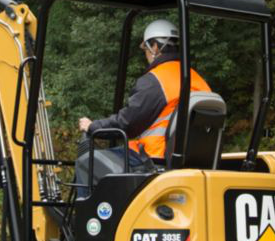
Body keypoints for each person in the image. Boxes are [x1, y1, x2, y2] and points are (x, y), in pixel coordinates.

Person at [74, 19, 211, 197]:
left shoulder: (156, 81)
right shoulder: (197, 80)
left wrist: (93, 126)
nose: (146, 54)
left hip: (151, 160)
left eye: (146, 49)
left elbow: (127, 123)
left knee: (87, 162)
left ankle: (86, 222)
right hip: (188, 162)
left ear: (154, 47)